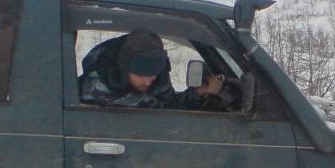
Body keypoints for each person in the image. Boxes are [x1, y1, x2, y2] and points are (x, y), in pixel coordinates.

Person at [78, 29, 225, 109]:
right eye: (141, 75)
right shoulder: (96, 89)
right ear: (125, 69)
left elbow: (168, 105)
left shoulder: (156, 78)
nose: (148, 82)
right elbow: (158, 113)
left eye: (153, 75)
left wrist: (200, 92)